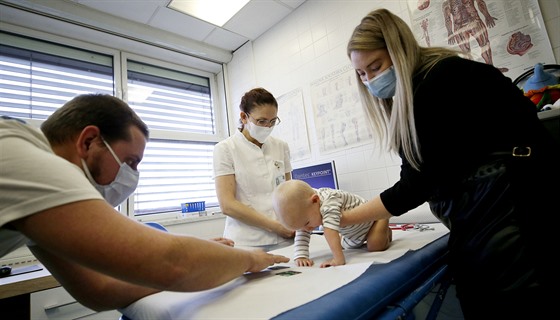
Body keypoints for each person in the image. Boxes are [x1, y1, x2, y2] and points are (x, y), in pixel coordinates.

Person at [342, 8, 559, 319]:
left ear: (399, 51)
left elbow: (415, 185)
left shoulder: (437, 82)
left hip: (514, 212)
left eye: (376, 67)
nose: (370, 81)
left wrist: (345, 218)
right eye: (362, 74)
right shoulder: (435, 78)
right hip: (505, 205)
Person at [0, 93, 289, 312]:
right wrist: (248, 259)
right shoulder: (23, 156)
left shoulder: (36, 203)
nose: (131, 177)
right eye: (129, 162)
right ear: (88, 142)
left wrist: (210, 260)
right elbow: (171, 262)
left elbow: (98, 290)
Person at [213, 88, 295, 251]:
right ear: (244, 117)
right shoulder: (225, 149)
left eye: (272, 121)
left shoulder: (281, 146)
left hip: (285, 238)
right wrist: (275, 226)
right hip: (246, 241)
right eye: (261, 121)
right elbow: (227, 204)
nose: (267, 127)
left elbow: (289, 190)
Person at [272, 180, 392, 268]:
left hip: (372, 222)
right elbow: (302, 232)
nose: (307, 229)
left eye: (307, 223)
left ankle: (384, 219)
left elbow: (330, 230)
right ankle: (379, 231)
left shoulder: (329, 201)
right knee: (349, 246)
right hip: (353, 233)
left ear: (315, 200)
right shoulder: (307, 210)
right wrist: (301, 256)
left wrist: (338, 259)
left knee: (375, 246)